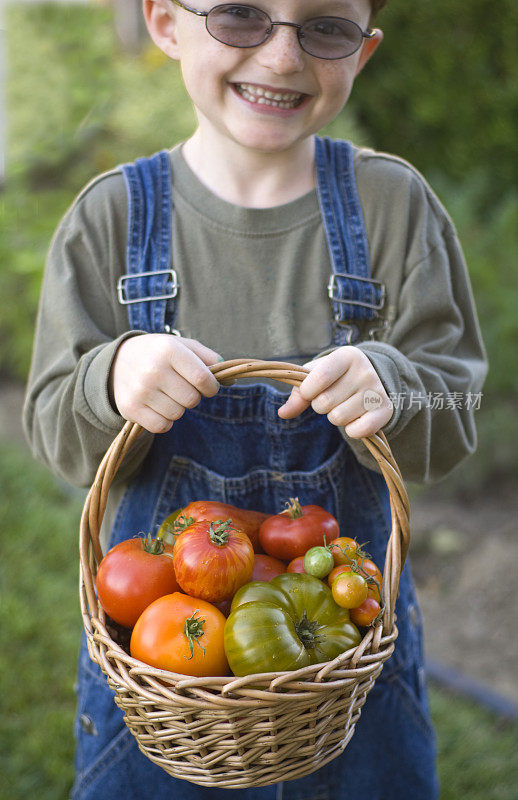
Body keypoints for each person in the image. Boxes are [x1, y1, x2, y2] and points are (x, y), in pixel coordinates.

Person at [23, 0, 487, 798]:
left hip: (347, 672)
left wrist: (397, 385)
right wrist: (111, 376)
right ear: (167, 23)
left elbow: (457, 415)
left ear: (364, 50)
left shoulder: (392, 208)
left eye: (325, 27)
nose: (280, 57)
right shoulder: (110, 220)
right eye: (240, 15)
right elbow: (52, 429)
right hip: (161, 681)